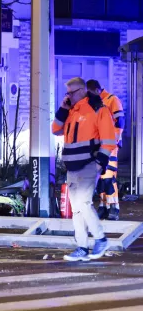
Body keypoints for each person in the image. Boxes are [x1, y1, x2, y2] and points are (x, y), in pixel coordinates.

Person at [52, 77, 117, 261]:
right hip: (72, 167)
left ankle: (100, 239)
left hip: (88, 164)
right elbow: (55, 129)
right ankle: (82, 247)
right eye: (67, 93)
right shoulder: (71, 111)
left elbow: (109, 140)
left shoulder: (97, 109)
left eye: (71, 93)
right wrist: (63, 109)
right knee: (77, 208)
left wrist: (99, 163)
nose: (68, 96)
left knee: (83, 204)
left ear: (82, 91)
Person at [86, 80, 125, 221]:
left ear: (97, 90)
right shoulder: (94, 102)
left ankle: (113, 206)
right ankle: (104, 206)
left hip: (109, 144)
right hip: (99, 144)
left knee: (108, 176)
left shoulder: (111, 100)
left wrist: (114, 140)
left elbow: (120, 121)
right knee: (101, 176)